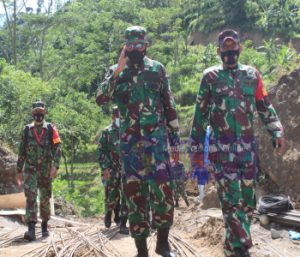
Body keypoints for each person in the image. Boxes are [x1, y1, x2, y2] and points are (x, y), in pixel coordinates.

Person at [189, 29, 285, 257]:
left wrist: (277, 132)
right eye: (225, 48)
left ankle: (232, 247)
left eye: (233, 48)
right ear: (218, 51)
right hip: (222, 150)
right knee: (231, 199)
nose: (229, 52)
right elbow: (200, 115)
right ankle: (242, 247)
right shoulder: (210, 77)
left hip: (247, 149)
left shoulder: (252, 75)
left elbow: (264, 106)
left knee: (248, 200)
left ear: (239, 49)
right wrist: (196, 149)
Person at [96, 26, 180, 257]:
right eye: (130, 45)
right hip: (130, 147)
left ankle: (163, 243)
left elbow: (169, 104)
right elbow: (100, 98)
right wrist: (118, 69)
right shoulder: (116, 72)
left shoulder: (157, 69)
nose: (135, 49)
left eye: (138, 45)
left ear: (146, 45)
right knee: (135, 197)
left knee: (164, 192)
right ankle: (141, 250)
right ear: (125, 47)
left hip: (157, 144)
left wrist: (174, 141)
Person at [16, 101, 62, 241]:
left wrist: (55, 166)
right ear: (33, 113)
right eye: (36, 112)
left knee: (44, 198)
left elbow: (58, 149)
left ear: (44, 113)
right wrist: (19, 170)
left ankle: (44, 226)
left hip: (45, 169)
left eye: (40, 112)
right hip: (30, 169)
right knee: (30, 198)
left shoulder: (50, 129)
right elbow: (22, 151)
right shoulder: (26, 130)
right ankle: (31, 229)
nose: (38, 115)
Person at [98, 106, 129, 235]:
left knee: (126, 196)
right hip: (111, 170)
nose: (119, 119)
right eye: (117, 116)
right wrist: (104, 168)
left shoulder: (128, 131)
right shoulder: (107, 132)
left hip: (126, 170)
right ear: (113, 117)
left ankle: (123, 223)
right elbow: (101, 151)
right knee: (111, 195)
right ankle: (108, 212)